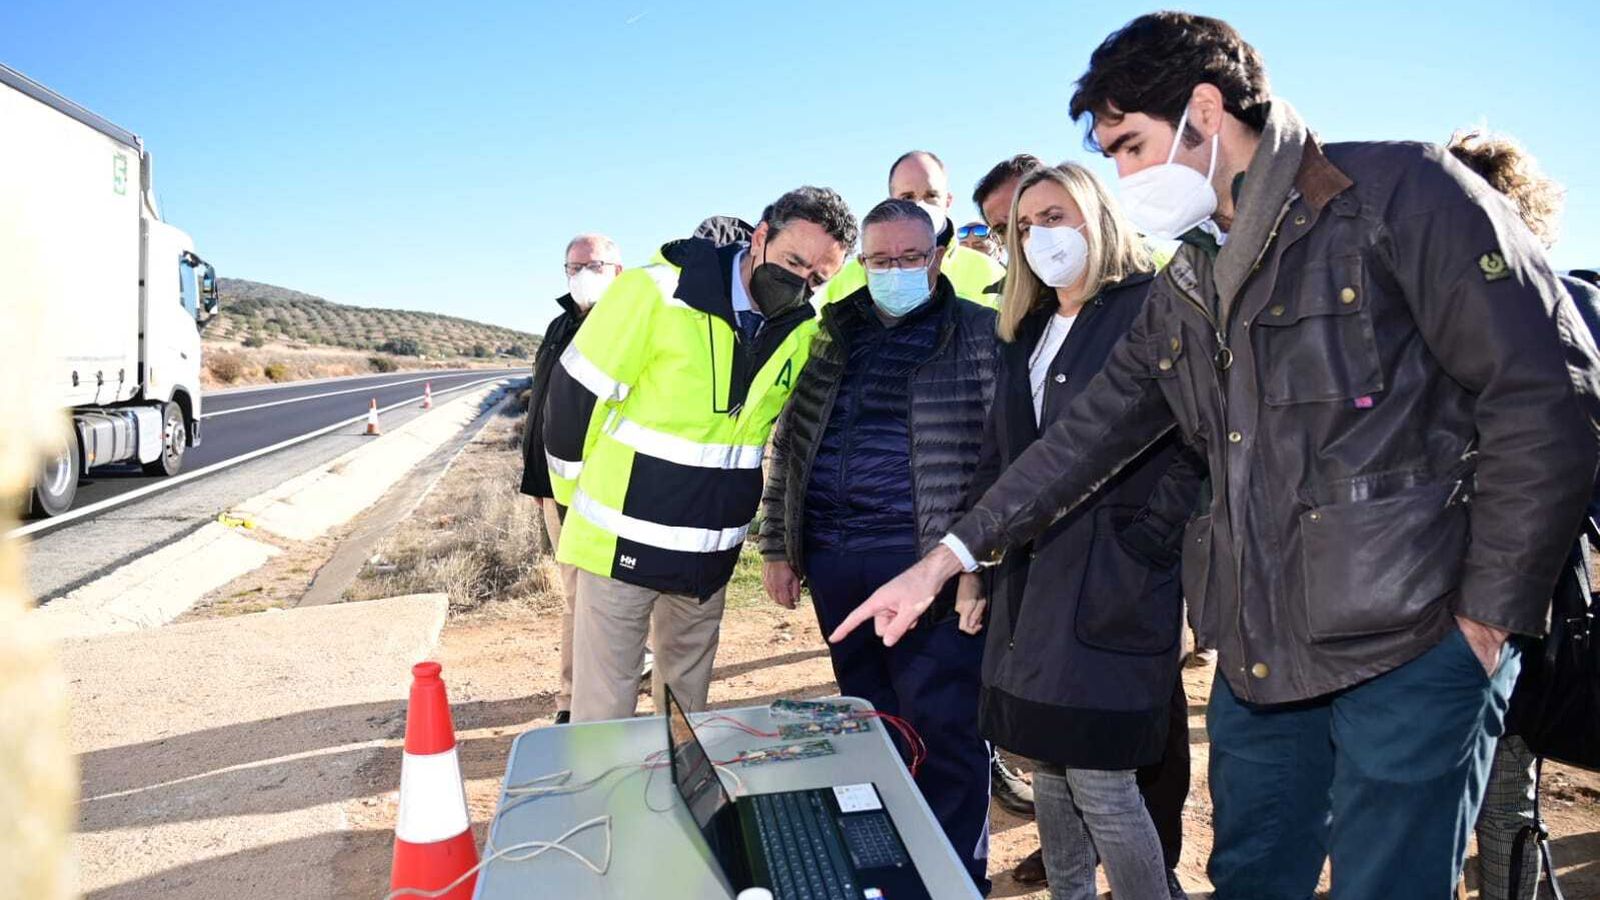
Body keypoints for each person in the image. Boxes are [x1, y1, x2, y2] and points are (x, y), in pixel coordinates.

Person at [832, 12, 1600, 899]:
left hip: (1415, 645)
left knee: (1384, 883)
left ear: (1205, 110)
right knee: (1250, 876)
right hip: (1260, 654)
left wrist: (1488, 620)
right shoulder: (1189, 279)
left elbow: (1549, 396)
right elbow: (1081, 439)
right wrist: (947, 558)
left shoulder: (1401, 195)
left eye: (1130, 146)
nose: (1123, 177)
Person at [967, 161, 1200, 900]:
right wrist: (972, 563)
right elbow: (1001, 455)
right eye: (1024, 226)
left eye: (1054, 216)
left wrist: (1150, 535)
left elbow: (1198, 438)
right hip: (1030, 575)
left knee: (1102, 780)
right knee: (1049, 765)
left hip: (1114, 575)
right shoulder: (1026, 329)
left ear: (1097, 215)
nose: (1039, 236)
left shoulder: (1149, 306)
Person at [543, 186, 856, 722]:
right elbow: (572, 403)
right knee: (603, 713)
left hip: (708, 556)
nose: (801, 282)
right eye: (793, 262)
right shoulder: (654, 292)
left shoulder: (803, 330)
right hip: (617, 546)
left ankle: (671, 781)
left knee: (685, 715)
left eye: (817, 278)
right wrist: (573, 504)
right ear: (760, 237)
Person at [759, 198, 998, 891]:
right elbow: (791, 444)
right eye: (880, 260)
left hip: (926, 564)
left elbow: (1003, 458)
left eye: (910, 258)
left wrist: (976, 565)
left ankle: (956, 879)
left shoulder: (980, 334)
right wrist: (778, 547)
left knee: (945, 727)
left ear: (938, 258)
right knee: (871, 721)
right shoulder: (831, 334)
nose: (895, 271)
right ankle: (893, 867)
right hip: (835, 558)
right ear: (862, 263)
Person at [1448, 126, 1600, 900]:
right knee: (1470, 801)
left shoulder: (1569, 307)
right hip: (1435, 598)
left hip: (1518, 600)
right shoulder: (1415, 312)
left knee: (1500, 799)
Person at [519, 233, 622, 724]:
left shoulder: (627, 324)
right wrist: (537, 482)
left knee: (603, 597)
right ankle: (574, 699)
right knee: (578, 595)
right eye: (573, 267)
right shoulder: (559, 326)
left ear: (617, 270)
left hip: (605, 486)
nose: (581, 275)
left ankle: (579, 700)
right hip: (555, 488)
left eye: (592, 265)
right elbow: (542, 405)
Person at [822, 151, 1005, 306]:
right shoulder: (848, 278)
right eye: (908, 197)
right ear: (891, 202)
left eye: (931, 195)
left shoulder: (990, 273)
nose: (920, 205)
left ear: (948, 201)